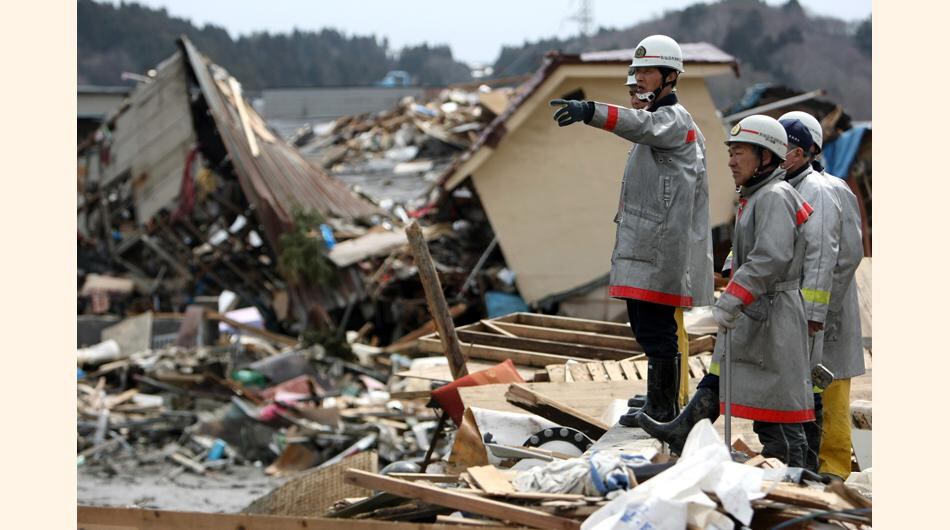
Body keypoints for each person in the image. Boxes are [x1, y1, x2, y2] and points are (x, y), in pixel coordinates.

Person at [550, 34, 714, 427]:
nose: (638, 79)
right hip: (647, 247)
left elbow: (640, 125)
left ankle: (663, 406)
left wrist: (590, 111)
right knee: (645, 327)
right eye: (636, 71)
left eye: (647, 71)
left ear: (669, 77)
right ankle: (658, 400)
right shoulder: (661, 123)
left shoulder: (673, 121)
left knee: (657, 330)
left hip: (660, 249)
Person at [641, 115, 815, 467]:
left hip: (773, 314)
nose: (732, 161)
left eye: (740, 153)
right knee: (752, 392)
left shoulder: (774, 197)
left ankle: (795, 480)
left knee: (778, 407)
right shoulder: (758, 195)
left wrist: (731, 300)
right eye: (730, 153)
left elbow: (770, 257)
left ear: (766, 157)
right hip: (760, 311)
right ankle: (689, 431)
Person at [781, 110, 866, 480]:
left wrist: (816, 309)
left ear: (804, 152)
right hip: (803, 310)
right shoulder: (786, 188)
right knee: (810, 393)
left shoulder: (822, 190)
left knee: (830, 393)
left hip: (824, 312)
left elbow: (841, 256)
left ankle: (834, 471)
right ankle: (815, 465)